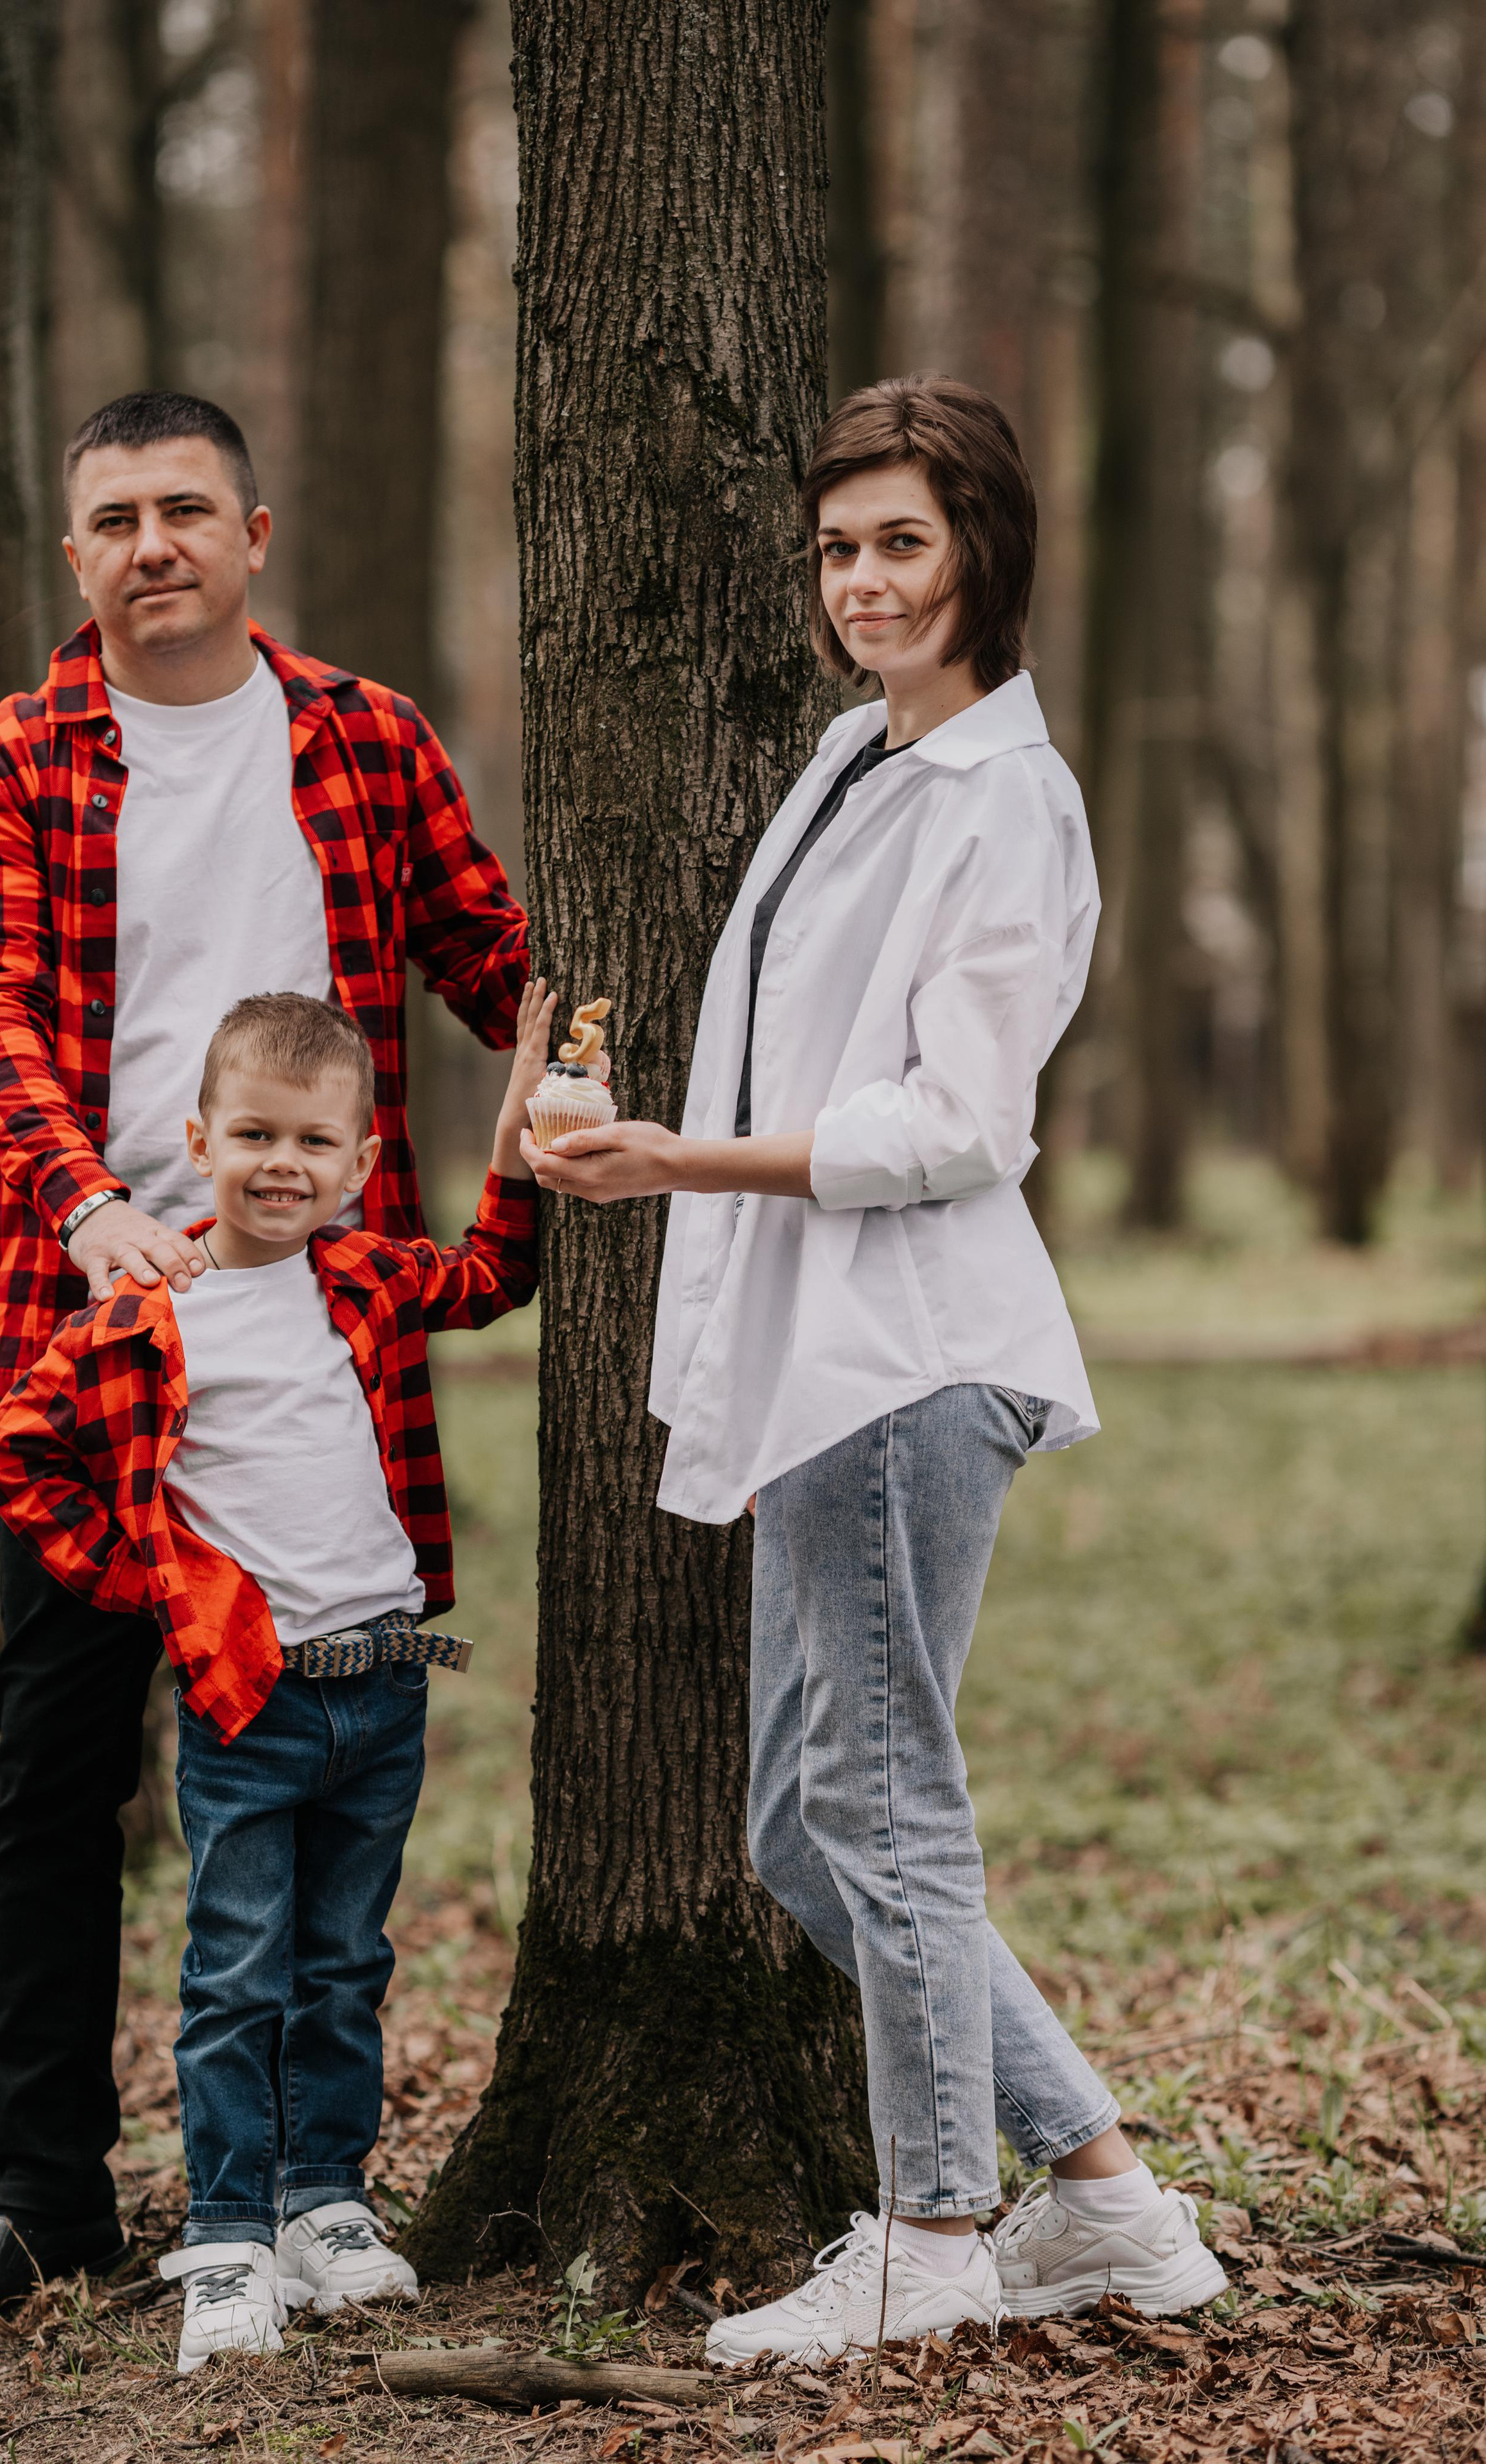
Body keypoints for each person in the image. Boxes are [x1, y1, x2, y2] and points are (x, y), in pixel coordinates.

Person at [524, 375, 1229, 2362]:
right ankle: (1108, 2206)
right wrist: (628, 1139)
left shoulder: (1011, 797)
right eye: (838, 547)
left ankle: (929, 2239)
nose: (862, 581)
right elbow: (796, 1053)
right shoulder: (852, 755)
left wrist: (677, 1161)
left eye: (902, 540)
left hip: (918, 1360)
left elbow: (953, 1126)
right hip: (814, 1364)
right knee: (792, 1825)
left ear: (983, 551)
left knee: (887, 1800)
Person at [0, 389, 530, 2349]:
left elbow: (493, 954)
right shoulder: (16, 756)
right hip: (102, 1346)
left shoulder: (364, 739)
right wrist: (82, 1205)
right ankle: (47, 2202)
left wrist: (594, 1072)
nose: (152, 544)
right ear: (76, 557)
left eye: (185, 510)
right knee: (56, 1783)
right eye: (114, 519)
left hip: (331, 1339)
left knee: (339, 1784)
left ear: (255, 530)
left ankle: (301, 2187)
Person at [0, 988, 548, 2371]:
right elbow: (14, 1450)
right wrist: (147, 1587)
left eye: (313, 1142)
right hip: (250, 1699)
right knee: (236, 1971)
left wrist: (524, 1099)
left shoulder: (364, 1279)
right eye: (253, 1135)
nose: (282, 1164)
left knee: (343, 1966)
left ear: (357, 1163)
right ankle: (225, 2237)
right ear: (195, 1140)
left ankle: (321, 2204)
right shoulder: (154, 1308)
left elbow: (495, 1271)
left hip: (385, 1685)